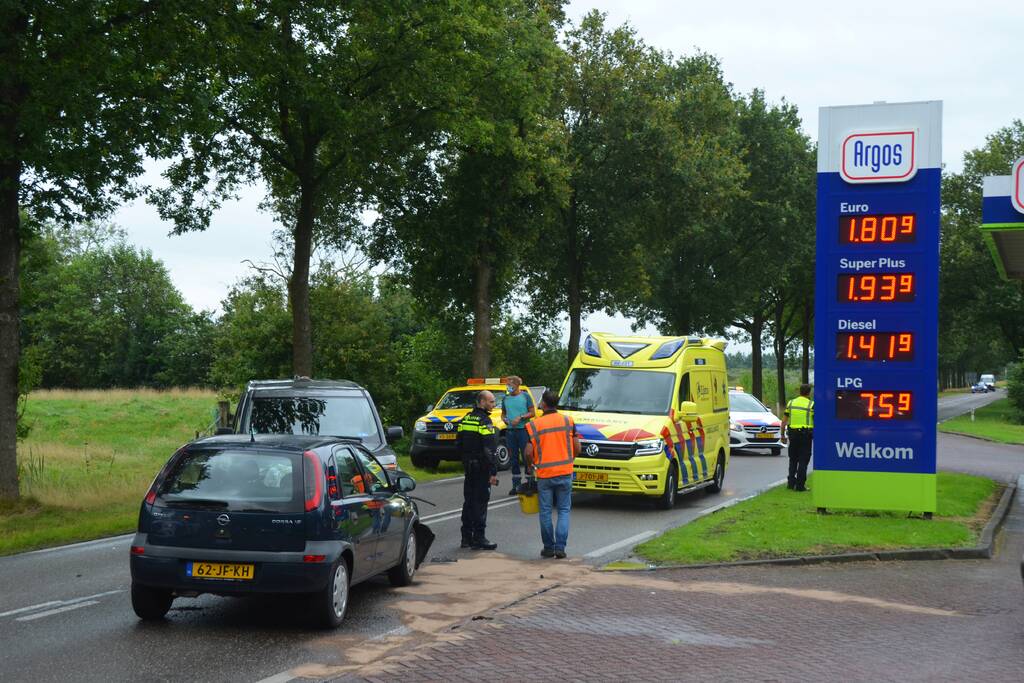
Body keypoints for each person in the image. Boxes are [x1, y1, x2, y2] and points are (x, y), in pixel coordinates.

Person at [524, 389, 580, 559]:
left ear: (544, 404)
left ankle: (548, 548)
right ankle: (560, 548)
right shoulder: (568, 421)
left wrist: (530, 466)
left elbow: (527, 452)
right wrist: (569, 460)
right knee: (564, 510)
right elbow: (578, 447)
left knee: (545, 511)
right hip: (565, 472)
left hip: (544, 474)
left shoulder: (534, 424)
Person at [457, 390, 500, 550]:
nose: (493, 405)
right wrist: (493, 472)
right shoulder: (484, 421)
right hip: (482, 468)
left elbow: (458, 444)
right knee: (481, 503)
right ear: (481, 402)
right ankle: (479, 538)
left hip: (469, 467)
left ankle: (465, 538)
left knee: (468, 502)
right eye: (491, 402)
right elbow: (490, 450)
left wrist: (465, 460)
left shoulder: (466, 418)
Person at [500, 375, 535, 495]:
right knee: (513, 458)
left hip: (523, 430)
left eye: (510, 384)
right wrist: (504, 419)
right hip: (510, 431)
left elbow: (532, 412)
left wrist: (520, 417)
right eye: (507, 385)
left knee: (527, 456)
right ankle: (516, 485)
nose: (508, 387)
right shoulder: (505, 398)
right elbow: (503, 413)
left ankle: (530, 484)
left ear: (516, 385)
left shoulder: (525, 396)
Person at [781, 383, 814, 492]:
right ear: (809, 392)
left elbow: (784, 421)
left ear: (799, 391)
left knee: (793, 459)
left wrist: (782, 435)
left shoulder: (791, 403)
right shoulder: (812, 404)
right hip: (805, 435)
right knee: (803, 460)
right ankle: (800, 486)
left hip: (793, 434)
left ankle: (791, 483)